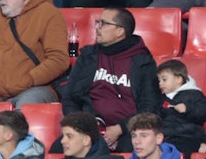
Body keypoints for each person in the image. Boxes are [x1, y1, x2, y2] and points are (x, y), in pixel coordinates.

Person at [60, 8, 162, 150]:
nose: (97, 28)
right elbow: (70, 98)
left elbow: (149, 105)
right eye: (97, 22)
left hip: (129, 130)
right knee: (58, 149)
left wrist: (120, 129)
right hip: (89, 128)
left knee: (134, 146)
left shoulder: (142, 61)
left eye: (103, 24)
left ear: (120, 31)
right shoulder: (88, 56)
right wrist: (83, 127)